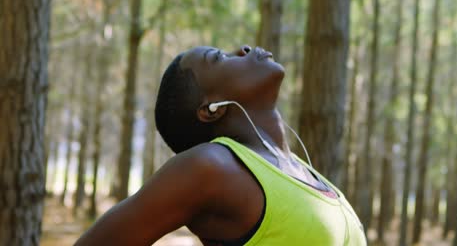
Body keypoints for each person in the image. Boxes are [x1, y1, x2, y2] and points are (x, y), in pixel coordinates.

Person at [75, 45, 366, 246]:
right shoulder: (212, 166)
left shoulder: (304, 171)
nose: (243, 49)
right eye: (220, 58)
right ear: (211, 109)